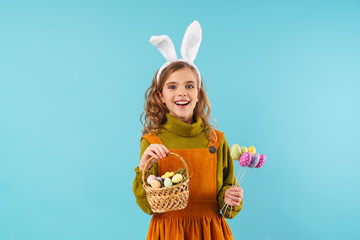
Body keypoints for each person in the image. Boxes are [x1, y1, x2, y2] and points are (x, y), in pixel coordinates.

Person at [132, 20, 243, 240]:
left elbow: (227, 203)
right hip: (168, 232)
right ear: (161, 97)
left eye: (189, 85)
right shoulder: (153, 142)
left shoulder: (216, 140)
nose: (181, 92)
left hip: (211, 231)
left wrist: (231, 198)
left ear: (199, 93)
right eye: (172, 86)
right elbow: (148, 206)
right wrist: (142, 167)